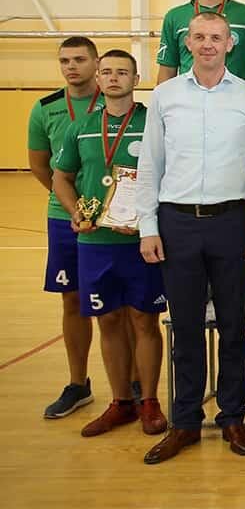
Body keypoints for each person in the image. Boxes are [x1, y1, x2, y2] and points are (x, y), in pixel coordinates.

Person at [137, 13, 245, 464]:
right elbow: (150, 164)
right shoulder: (165, 95)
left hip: (232, 222)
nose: (208, 44)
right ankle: (185, 422)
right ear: (188, 43)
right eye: (199, 37)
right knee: (186, 328)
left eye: (216, 37)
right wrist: (148, 227)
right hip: (177, 223)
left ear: (230, 43)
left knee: (234, 326)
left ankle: (233, 417)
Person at [51, 49, 168, 437]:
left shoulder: (153, 122)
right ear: (98, 79)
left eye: (122, 72)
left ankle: (149, 401)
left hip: (140, 240)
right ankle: (120, 403)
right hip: (95, 242)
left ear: (136, 80)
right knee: (108, 319)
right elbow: (61, 177)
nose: (114, 78)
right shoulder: (80, 127)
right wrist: (75, 212)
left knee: (144, 319)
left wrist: (147, 219)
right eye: (107, 72)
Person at [29, 36, 102, 418]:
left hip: (113, 220)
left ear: (96, 63)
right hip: (64, 218)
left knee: (122, 305)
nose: (71, 67)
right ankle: (78, 383)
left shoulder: (115, 103)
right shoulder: (45, 108)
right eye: (65, 61)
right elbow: (40, 165)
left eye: (79, 59)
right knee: (72, 299)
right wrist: (73, 205)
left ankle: (133, 385)